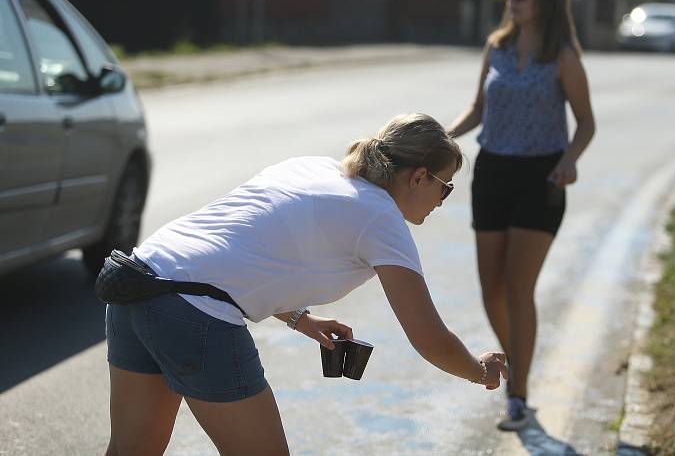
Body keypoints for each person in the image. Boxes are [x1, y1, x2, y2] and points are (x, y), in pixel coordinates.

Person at [103, 113, 508, 456]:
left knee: (131, 451)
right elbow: (429, 337)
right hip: (191, 312)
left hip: (136, 282)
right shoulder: (381, 218)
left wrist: (300, 319)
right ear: (420, 176)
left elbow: (236, 252)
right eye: (446, 185)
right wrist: (480, 371)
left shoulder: (313, 167)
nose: (443, 199)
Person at [447, 0, 595, 431]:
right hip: (492, 170)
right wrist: (441, 138)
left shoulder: (563, 56)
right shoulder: (497, 45)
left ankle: (518, 390)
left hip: (541, 176)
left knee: (517, 288)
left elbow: (587, 121)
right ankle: (516, 360)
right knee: (491, 289)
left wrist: (570, 157)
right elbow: (478, 108)